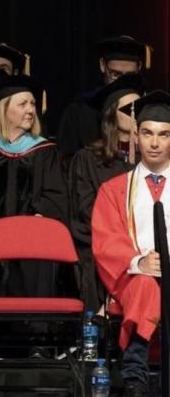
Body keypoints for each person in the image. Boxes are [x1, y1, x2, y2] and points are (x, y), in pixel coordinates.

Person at [0, 74, 69, 298]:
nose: (30, 110)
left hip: (33, 245)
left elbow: (55, 199)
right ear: (3, 109)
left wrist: (21, 235)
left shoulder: (45, 151)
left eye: (33, 104)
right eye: (23, 104)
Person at [92, 90, 170, 397]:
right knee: (145, 284)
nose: (154, 142)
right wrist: (139, 262)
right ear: (135, 136)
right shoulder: (114, 190)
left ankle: (133, 369)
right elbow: (105, 241)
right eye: (148, 133)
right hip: (133, 279)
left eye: (164, 135)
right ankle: (136, 372)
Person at [68, 74, 143, 314]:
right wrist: (122, 236)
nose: (135, 113)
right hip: (102, 244)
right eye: (128, 108)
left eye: (139, 107)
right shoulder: (88, 159)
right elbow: (84, 209)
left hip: (145, 245)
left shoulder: (151, 160)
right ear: (111, 114)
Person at [56, 34, 149, 160]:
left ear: (139, 68)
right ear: (102, 65)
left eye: (130, 76)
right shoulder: (78, 112)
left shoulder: (149, 109)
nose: (121, 82)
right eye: (115, 74)